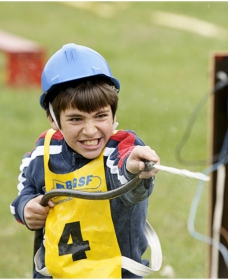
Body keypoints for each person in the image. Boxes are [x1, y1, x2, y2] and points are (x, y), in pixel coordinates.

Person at [10, 43, 162, 278]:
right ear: (53, 119)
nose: (90, 131)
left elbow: (127, 175)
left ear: (114, 114)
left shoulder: (123, 149)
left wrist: (134, 168)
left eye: (101, 116)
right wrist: (25, 206)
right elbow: (25, 188)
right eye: (75, 119)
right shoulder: (43, 152)